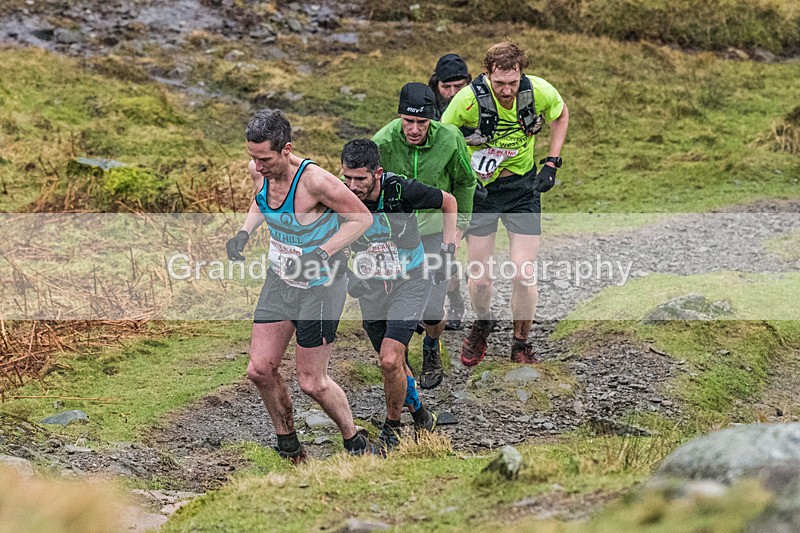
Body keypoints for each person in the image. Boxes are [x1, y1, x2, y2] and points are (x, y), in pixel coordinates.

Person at [226, 109, 374, 461]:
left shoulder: (316, 182)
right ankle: (289, 444)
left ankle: (355, 440)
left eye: (265, 158)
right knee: (260, 370)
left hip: (322, 285)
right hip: (280, 280)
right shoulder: (257, 171)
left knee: (311, 381)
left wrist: (322, 252)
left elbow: (361, 219)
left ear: (286, 149)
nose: (258, 166)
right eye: (253, 158)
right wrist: (244, 233)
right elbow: (260, 200)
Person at [441, 40, 569, 366]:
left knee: (523, 273)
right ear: (486, 74)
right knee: (481, 279)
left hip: (522, 189)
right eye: (499, 83)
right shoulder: (467, 100)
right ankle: (483, 321)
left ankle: (521, 344)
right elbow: (443, 136)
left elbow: (561, 113)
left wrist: (552, 162)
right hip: (482, 193)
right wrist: (461, 181)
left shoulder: (538, 91)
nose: (507, 90)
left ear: (521, 73)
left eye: (513, 82)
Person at [340, 139, 459, 450]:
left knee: (391, 360)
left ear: (377, 173)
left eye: (360, 179)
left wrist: (448, 250)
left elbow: (449, 202)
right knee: (392, 363)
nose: (352, 187)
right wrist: (349, 275)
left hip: (411, 280)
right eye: (347, 178)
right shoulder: (338, 197)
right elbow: (324, 239)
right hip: (372, 288)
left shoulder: (400, 190)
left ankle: (392, 427)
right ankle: (421, 414)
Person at [372, 82, 477, 390]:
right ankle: (398, 363)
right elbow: (355, 181)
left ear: (432, 119)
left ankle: (431, 346)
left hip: (434, 233)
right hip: (397, 236)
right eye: (408, 121)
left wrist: (458, 229)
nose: (414, 129)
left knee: (432, 309)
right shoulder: (383, 141)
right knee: (392, 302)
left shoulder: (449, 138)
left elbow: (466, 182)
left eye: (421, 122)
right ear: (400, 117)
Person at [428, 53, 473, 331]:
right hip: (444, 196)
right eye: (447, 87)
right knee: (448, 252)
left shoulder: (480, 107)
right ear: (437, 86)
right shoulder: (426, 114)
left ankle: (477, 300)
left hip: (477, 190)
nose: (453, 94)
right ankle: (454, 299)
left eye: (460, 86)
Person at [428, 53, 472, 120]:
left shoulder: (479, 103)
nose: (453, 93)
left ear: (467, 83)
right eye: (446, 87)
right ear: (436, 85)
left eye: (458, 86)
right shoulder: (426, 107)